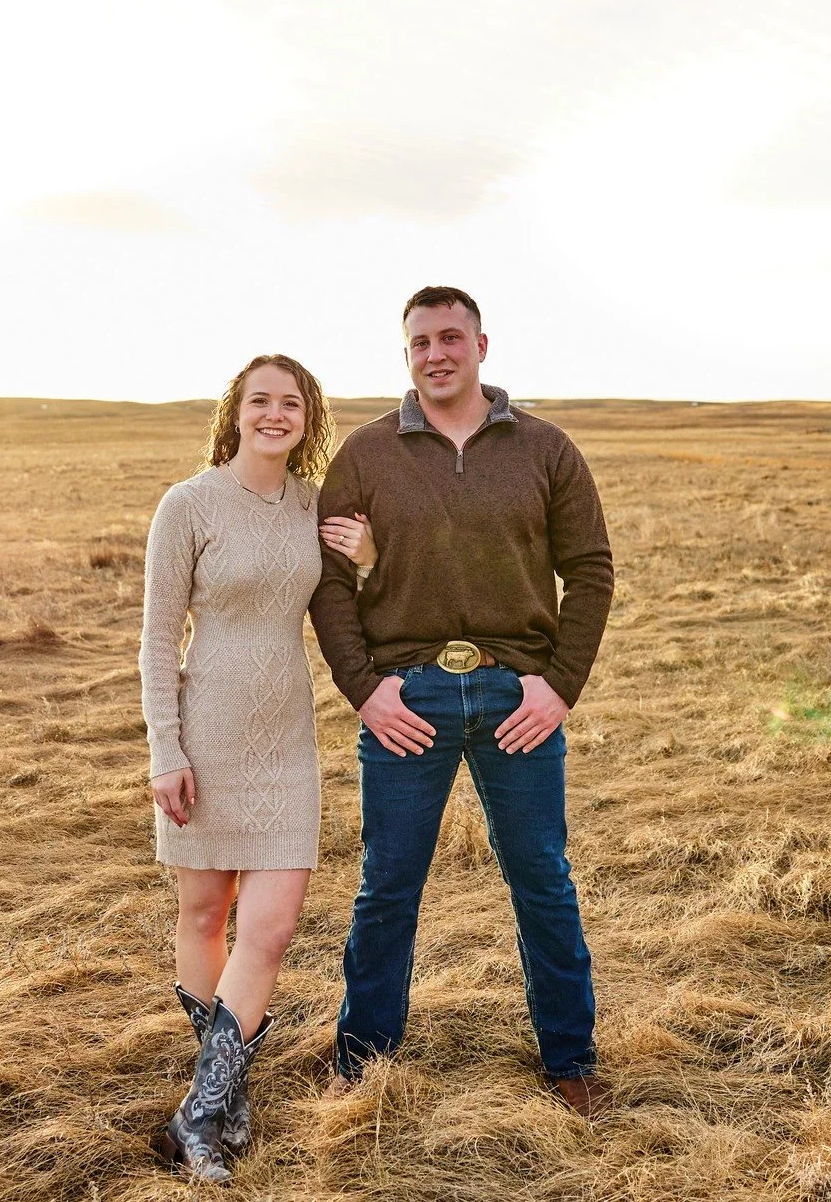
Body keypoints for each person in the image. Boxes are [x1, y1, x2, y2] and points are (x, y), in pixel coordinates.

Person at [309, 286, 616, 1118]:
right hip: (407, 696)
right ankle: (363, 1059)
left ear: (483, 344)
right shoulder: (366, 455)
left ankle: (570, 1056)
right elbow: (330, 586)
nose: (435, 353)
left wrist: (559, 686)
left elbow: (590, 570)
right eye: (419, 341)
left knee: (541, 878)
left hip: (518, 693)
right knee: (387, 885)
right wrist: (365, 690)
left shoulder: (547, 449)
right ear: (405, 352)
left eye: (451, 337)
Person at [140, 353, 375, 1182]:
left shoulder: (316, 508)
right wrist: (165, 751)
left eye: (291, 403)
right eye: (260, 401)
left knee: (269, 927)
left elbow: (355, 606)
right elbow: (158, 640)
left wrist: (370, 555)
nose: (275, 415)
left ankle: (199, 1115)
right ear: (235, 413)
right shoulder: (189, 504)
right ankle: (224, 1098)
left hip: (286, 743)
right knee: (206, 912)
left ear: (308, 418)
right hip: (206, 733)